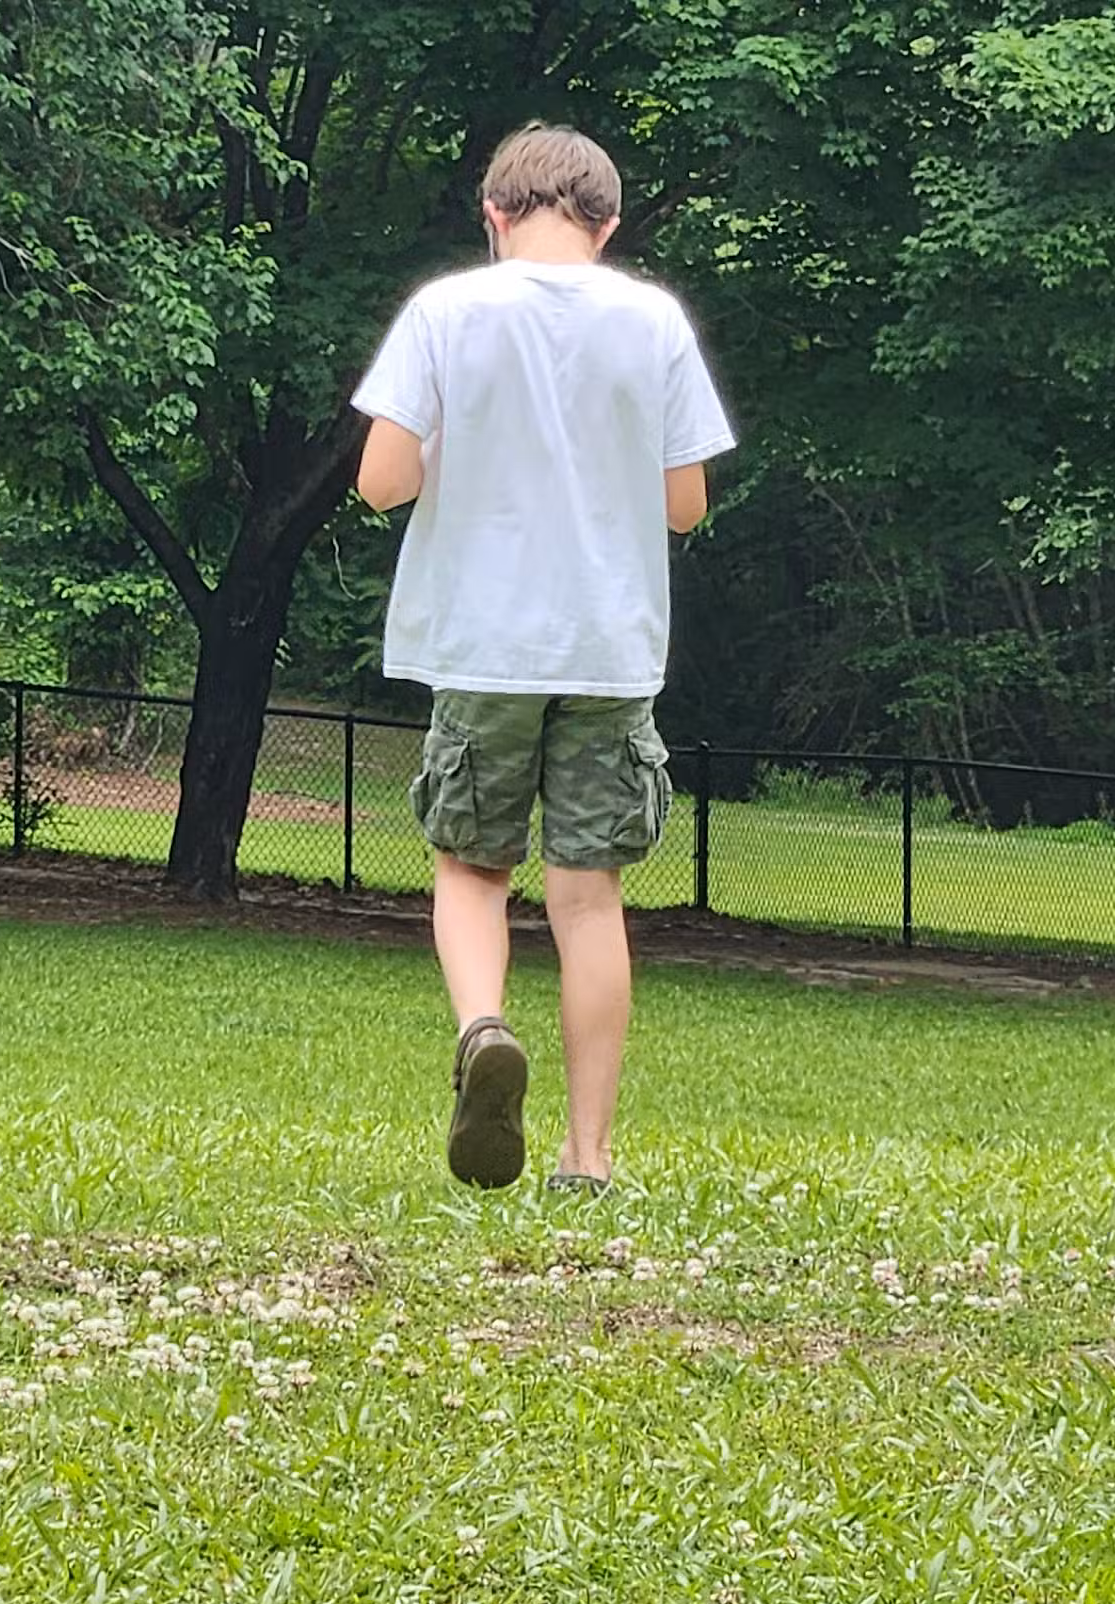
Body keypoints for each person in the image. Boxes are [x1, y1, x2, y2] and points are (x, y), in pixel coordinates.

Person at [351, 124, 733, 1195]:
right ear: (606, 224)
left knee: (472, 869)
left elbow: (381, 480)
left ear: (493, 215)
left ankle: (483, 1029)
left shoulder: (444, 311)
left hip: (482, 641)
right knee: (588, 895)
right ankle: (589, 1158)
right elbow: (684, 506)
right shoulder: (654, 320)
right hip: (609, 648)